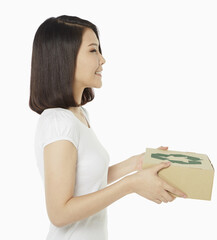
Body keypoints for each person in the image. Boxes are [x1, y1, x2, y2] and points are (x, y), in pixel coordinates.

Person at [29, 15, 186, 240]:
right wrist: (131, 185)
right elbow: (59, 213)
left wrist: (136, 163)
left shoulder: (78, 115)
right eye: (93, 50)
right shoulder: (58, 122)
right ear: (65, 57)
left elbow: (88, 180)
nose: (102, 60)